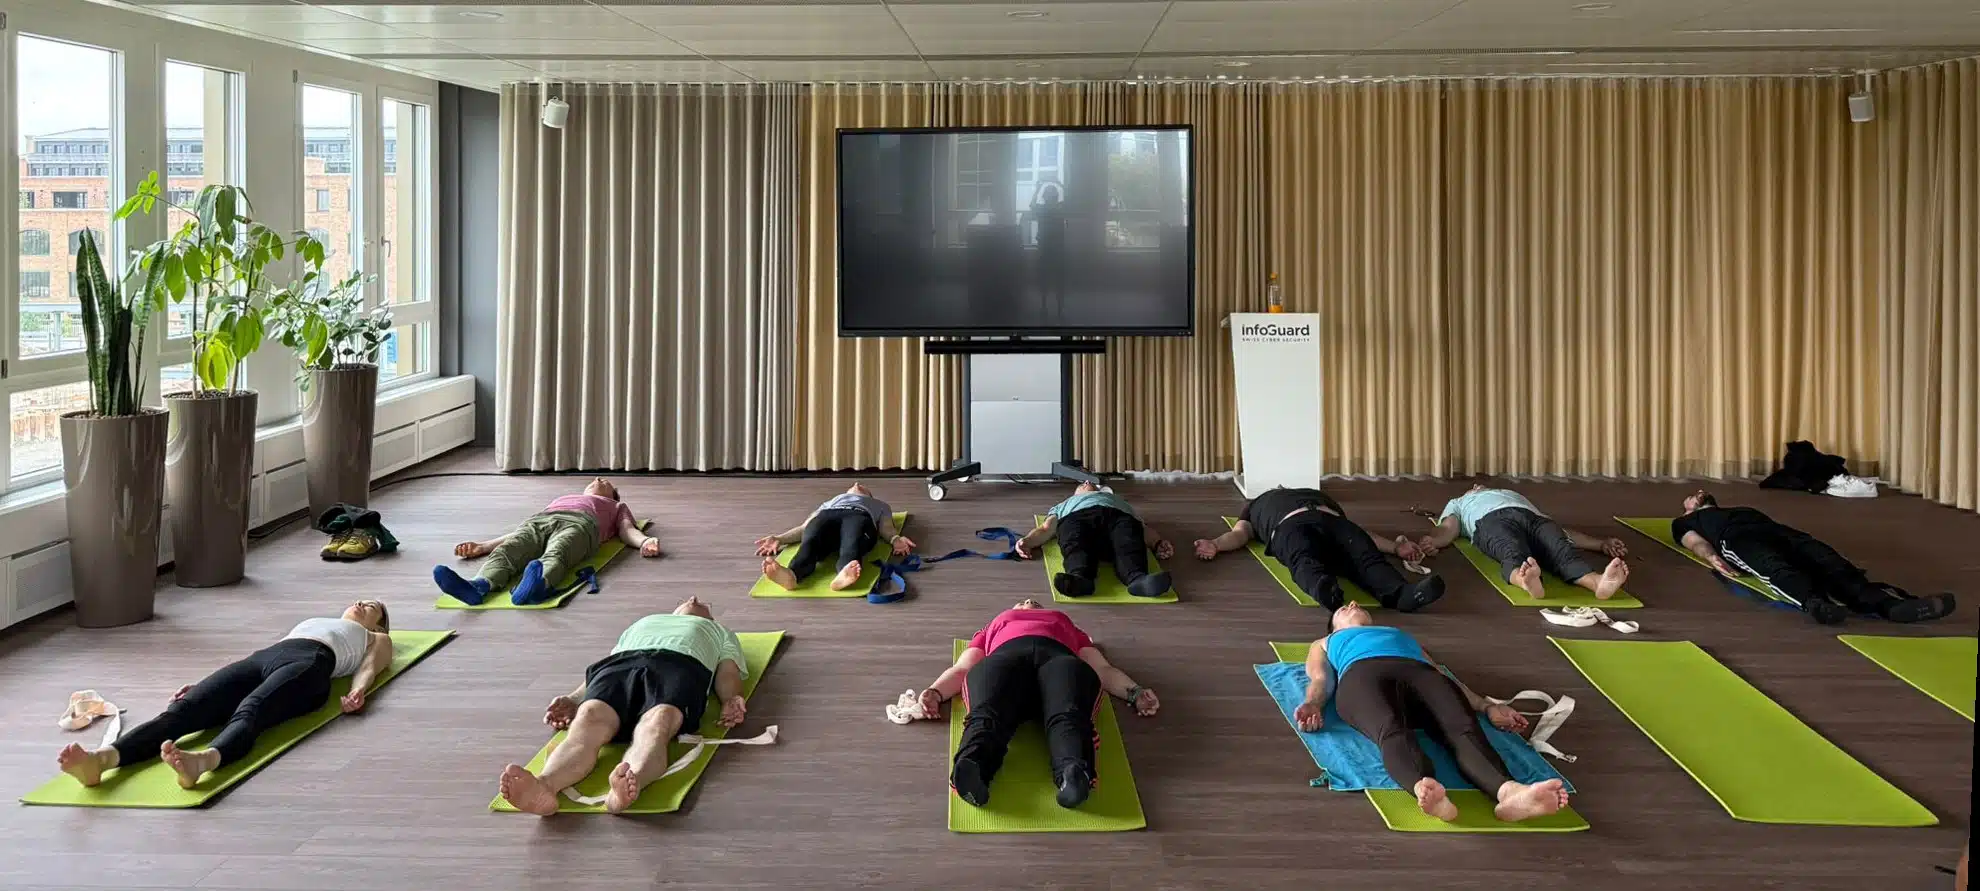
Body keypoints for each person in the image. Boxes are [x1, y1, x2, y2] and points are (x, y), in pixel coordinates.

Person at [57, 600, 393, 790]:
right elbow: (266, 655)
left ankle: (203, 761)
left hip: (311, 664)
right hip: (263, 658)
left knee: (252, 709)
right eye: (361, 599)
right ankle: (101, 760)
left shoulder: (375, 637)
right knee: (185, 709)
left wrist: (358, 691)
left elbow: (371, 666)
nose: (361, 603)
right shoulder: (317, 619)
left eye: (372, 606)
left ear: (378, 625)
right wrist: (208, 686)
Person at [1296, 601, 1569, 824]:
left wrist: (1487, 706)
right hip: (1362, 675)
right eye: (1343, 608)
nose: (1353, 604)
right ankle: (1426, 790)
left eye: (1355, 604)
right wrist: (1312, 704)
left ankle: (1510, 793)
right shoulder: (1326, 641)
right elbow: (1320, 678)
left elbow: (1443, 673)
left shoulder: (1399, 634)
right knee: (1391, 730)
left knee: (1462, 728)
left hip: (1419, 674)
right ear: (1334, 625)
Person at [497, 597, 748, 815]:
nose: (693, 598)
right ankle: (545, 786)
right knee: (589, 717)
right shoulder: (645, 621)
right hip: (621, 665)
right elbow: (611, 657)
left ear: (710, 618)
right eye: (688, 599)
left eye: (703, 603)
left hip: (680, 665)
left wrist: (731, 698)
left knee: (658, 722)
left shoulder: (719, 631)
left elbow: (728, 671)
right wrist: (574, 699)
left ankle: (629, 783)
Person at [906, 599, 1158, 809]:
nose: (1028, 601)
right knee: (987, 715)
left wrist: (1135, 693)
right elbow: (962, 668)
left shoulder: (1068, 625)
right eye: (1021, 602)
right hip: (1006, 659)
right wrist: (935, 692)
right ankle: (973, 768)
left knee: (1069, 717)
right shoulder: (993, 626)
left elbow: (1102, 669)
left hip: (1059, 660)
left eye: (1034, 602)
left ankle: (1072, 775)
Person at [1672, 490, 1956, 625]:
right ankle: (1816, 604)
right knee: (1773, 566)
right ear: (1688, 507)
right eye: (1693, 494)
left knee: (1832, 564)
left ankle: (1892, 607)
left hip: (1783, 533)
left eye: (1700, 492)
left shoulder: (1741, 507)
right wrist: (1712, 557)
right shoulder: (1686, 522)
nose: (1699, 492)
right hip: (1738, 539)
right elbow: (1694, 543)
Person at [1194, 486, 1445, 614]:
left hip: (1334, 524)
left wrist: (1396, 547)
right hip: (1290, 527)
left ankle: (1403, 595)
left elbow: (1363, 534)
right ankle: (1326, 592)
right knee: (1303, 558)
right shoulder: (1255, 505)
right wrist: (1216, 544)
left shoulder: (1316, 495)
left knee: (1364, 554)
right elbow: (1239, 534)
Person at [435, 477, 659, 606]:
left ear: (612, 495)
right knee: (511, 549)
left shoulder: (615, 506)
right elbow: (516, 534)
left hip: (581, 525)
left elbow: (627, 529)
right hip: (539, 521)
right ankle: (479, 586)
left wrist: (645, 542)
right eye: (594, 479)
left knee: (558, 552)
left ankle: (537, 585)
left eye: (605, 481)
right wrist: (484, 546)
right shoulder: (562, 498)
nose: (598, 479)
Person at [1417, 485, 1630, 601]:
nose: (1476, 486)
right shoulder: (1461, 502)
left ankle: (1597, 583)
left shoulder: (1510, 494)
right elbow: (1449, 526)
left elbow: (1565, 533)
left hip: (1534, 519)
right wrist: (1433, 540)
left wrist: (1601, 544)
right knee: (1511, 550)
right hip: (1491, 520)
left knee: (1560, 548)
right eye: (1472, 487)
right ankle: (1526, 581)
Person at [1015, 482, 1175, 598]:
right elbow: (1045, 529)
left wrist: (1157, 543)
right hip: (1078, 518)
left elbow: (1141, 529)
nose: (1086, 482)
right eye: (1082, 484)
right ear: (1075, 494)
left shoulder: (1119, 502)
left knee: (1128, 540)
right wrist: (1027, 541)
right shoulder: (1064, 505)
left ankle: (1137, 579)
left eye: (1090, 483)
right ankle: (1080, 578)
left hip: (1116, 519)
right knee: (1074, 540)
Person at [755, 483, 914, 590]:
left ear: (869, 496)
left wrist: (895, 539)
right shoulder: (828, 503)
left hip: (858, 516)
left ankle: (843, 574)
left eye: (862, 486)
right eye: (852, 486)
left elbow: (886, 527)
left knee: (851, 544)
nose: (856, 483)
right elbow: (804, 528)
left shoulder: (879, 504)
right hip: (827, 516)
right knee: (810, 542)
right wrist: (780, 538)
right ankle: (792, 575)